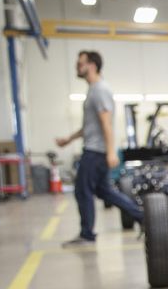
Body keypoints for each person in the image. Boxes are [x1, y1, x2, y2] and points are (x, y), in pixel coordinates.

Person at [55, 50, 143, 245]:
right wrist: (69, 139)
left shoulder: (100, 89)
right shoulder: (94, 89)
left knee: (82, 190)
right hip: (96, 149)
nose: (77, 67)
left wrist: (111, 151)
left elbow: (106, 123)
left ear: (92, 65)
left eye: (81, 63)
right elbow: (90, 126)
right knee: (105, 192)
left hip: (96, 152)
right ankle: (144, 218)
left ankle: (87, 234)